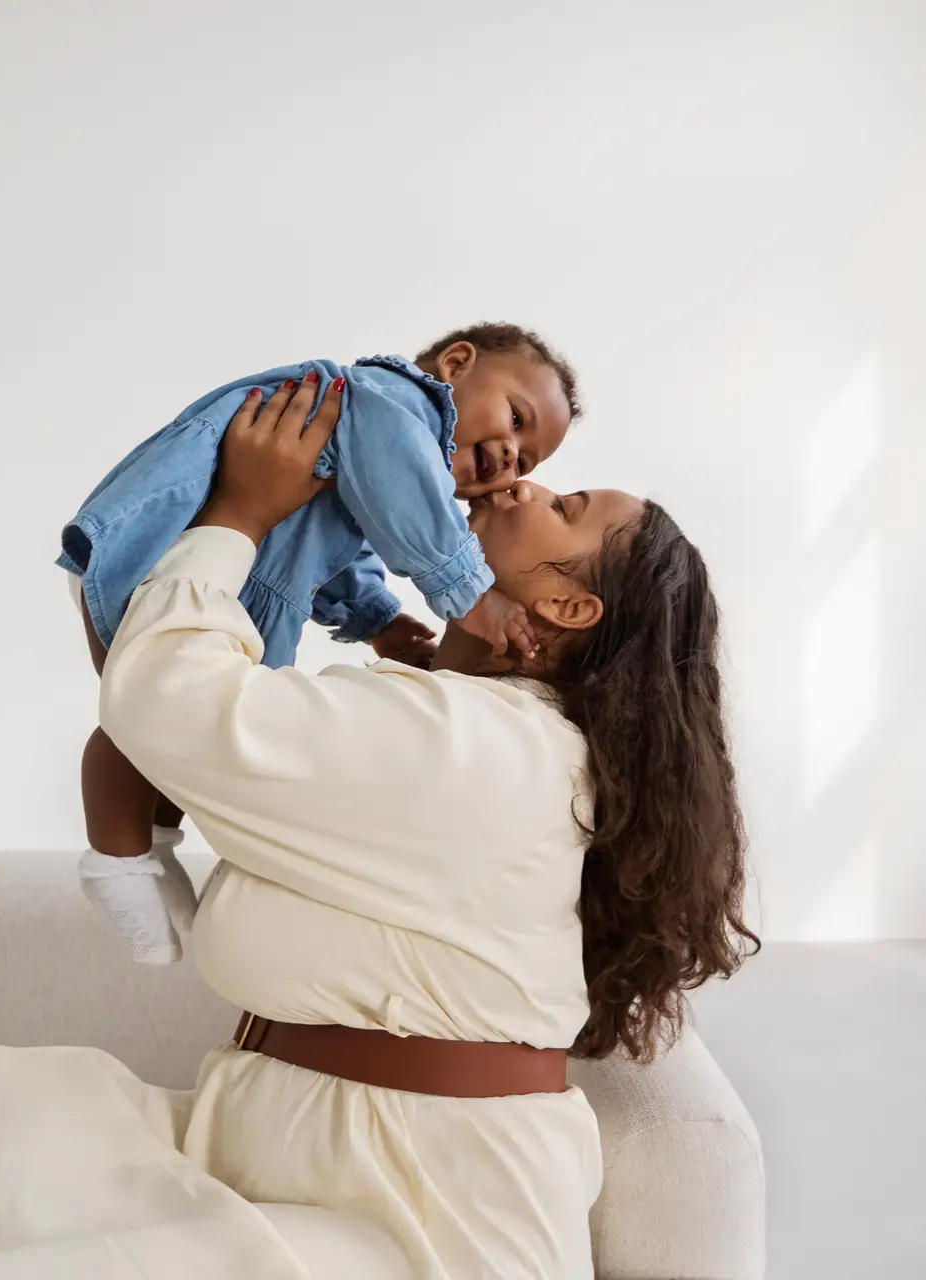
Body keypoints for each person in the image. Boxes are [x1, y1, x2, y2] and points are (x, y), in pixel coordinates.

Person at [0, 377, 756, 1280]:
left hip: (417, 1218)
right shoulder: (458, 719)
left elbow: (166, 701)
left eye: (568, 503)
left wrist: (240, 513)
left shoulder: (487, 748)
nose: (524, 479)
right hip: (304, 1150)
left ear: (567, 607)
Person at [62, 324, 580, 964]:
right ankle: (115, 862)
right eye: (516, 418)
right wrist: (468, 590)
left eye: (528, 460)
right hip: (168, 542)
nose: (511, 460)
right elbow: (402, 492)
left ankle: (156, 844)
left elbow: (335, 550)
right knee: (141, 718)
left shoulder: (375, 466)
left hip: (233, 578)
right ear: (455, 363)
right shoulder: (392, 403)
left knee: (190, 740)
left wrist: (378, 619)